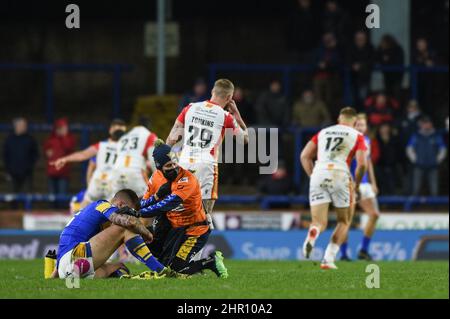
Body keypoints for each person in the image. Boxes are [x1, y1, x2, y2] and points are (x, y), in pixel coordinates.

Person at [138, 141, 229, 278]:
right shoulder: (155, 178)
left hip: (194, 230)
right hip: (174, 229)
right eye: (169, 165)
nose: (174, 167)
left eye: (175, 163)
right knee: (160, 261)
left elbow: (167, 205)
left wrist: (137, 213)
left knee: (176, 270)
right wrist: (156, 196)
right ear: (158, 167)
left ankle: (211, 261)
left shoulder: (187, 179)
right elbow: (144, 203)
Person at [166, 79, 249, 224]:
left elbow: (172, 138)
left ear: (212, 92)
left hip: (184, 162)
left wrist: (166, 162)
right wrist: (237, 115)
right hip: (206, 165)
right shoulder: (225, 116)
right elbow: (245, 139)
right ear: (230, 98)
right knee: (204, 216)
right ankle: (198, 246)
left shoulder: (190, 108)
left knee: (179, 212)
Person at [55, 189, 186, 280]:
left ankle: (118, 276)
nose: (128, 214)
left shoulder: (88, 215)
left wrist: (53, 276)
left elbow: (63, 251)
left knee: (118, 268)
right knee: (124, 227)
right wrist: (146, 233)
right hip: (74, 259)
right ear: (120, 204)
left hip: (68, 269)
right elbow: (123, 221)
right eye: (129, 211)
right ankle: (161, 270)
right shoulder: (102, 205)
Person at [300, 107, 367, 269]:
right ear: (355, 122)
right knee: (344, 221)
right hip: (340, 175)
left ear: (339, 119)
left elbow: (304, 156)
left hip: (319, 173)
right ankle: (328, 259)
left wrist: (313, 176)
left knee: (318, 222)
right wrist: (356, 183)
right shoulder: (357, 135)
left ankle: (313, 232)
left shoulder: (323, 132)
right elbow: (362, 164)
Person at [52, 119, 127, 208]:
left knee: (84, 207)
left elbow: (83, 155)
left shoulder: (101, 145)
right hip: (112, 183)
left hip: (97, 180)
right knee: (112, 212)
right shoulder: (126, 149)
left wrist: (65, 159)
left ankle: (76, 217)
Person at [340, 114, 380, 261]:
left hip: (363, 184)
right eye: (358, 125)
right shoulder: (348, 141)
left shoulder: (366, 141)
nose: (360, 127)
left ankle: (363, 250)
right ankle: (344, 254)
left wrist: (373, 182)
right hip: (349, 184)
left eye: (363, 125)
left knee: (374, 215)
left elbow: (368, 162)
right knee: (346, 220)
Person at [110, 125, 158, 198]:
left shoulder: (123, 137)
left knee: (118, 203)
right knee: (146, 201)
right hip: (134, 173)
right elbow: (154, 160)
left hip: (116, 173)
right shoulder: (149, 135)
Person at [406, 116, 447, 196]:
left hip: (433, 166)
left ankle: (435, 207)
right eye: (424, 123)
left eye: (428, 123)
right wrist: (415, 159)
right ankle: (413, 207)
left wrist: (437, 160)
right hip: (419, 165)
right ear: (421, 125)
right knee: (416, 189)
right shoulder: (416, 135)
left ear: (431, 124)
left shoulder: (436, 135)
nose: (426, 125)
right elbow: (409, 148)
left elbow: (443, 149)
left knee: (434, 189)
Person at [2, 117, 39, 193]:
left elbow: (35, 154)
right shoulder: (9, 139)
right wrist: (8, 169)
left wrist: (29, 166)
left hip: (26, 173)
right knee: (12, 196)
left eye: (25, 125)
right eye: (22, 125)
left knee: (27, 196)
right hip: (12, 173)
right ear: (16, 126)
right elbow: (5, 155)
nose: (25, 127)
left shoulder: (30, 139)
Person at [43, 118, 76, 198]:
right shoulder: (51, 139)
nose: (61, 130)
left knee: (62, 196)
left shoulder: (69, 138)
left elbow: (69, 147)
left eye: (64, 128)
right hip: (52, 171)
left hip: (63, 172)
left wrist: (64, 136)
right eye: (60, 128)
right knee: (52, 197)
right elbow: (46, 151)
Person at [313, 32, 342, 117]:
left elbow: (338, 63)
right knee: (318, 100)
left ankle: (328, 118)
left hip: (331, 79)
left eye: (330, 38)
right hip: (318, 77)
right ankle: (318, 117)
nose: (328, 40)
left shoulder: (336, 50)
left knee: (330, 100)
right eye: (326, 38)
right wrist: (319, 65)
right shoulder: (318, 49)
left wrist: (327, 64)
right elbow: (312, 62)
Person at [347, 31, 375, 109]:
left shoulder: (370, 48)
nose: (360, 40)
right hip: (352, 79)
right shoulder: (351, 48)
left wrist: (361, 66)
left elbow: (372, 61)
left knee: (363, 100)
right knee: (352, 101)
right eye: (358, 39)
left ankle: (362, 117)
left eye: (361, 39)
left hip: (364, 78)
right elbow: (347, 60)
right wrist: (352, 65)